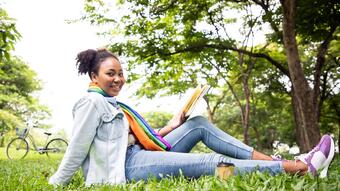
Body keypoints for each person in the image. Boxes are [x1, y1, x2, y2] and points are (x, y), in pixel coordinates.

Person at [49, 48, 335, 186]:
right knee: (211, 164)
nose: (118, 79)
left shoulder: (110, 104)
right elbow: (77, 148)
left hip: (137, 153)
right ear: (93, 76)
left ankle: (273, 160)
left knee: (197, 125)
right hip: (128, 167)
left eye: (120, 73)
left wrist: (172, 125)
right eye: (111, 74)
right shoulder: (90, 103)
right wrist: (55, 184)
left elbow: (131, 138)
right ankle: (298, 168)